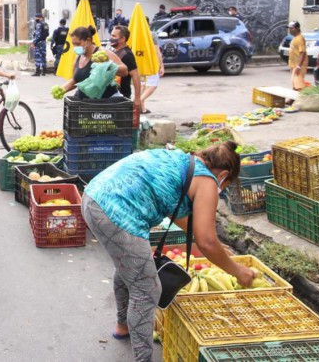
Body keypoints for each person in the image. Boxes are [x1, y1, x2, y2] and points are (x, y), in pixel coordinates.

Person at [82, 141, 255, 361]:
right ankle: (143, 358)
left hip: (94, 198)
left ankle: (123, 326)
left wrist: (220, 249)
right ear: (224, 175)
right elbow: (206, 242)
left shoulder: (180, 161)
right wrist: (238, 271)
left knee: (129, 267)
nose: (222, 189)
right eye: (227, 185)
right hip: (116, 211)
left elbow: (190, 222)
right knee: (147, 289)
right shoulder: (208, 182)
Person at [58, 26, 128, 100]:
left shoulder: (103, 53)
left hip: (105, 102)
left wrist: (108, 65)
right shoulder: (77, 58)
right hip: (85, 102)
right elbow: (75, 80)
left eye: (78, 44)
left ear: (88, 40)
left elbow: (125, 71)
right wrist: (62, 89)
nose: (75, 47)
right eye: (73, 44)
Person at [109, 26, 141, 101]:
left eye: (114, 36)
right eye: (111, 35)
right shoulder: (114, 51)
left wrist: (137, 98)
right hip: (111, 95)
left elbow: (135, 76)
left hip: (121, 97)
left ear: (122, 39)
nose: (111, 38)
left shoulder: (127, 55)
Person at [139, 31, 164, 114]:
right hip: (150, 64)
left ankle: (142, 109)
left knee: (143, 85)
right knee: (152, 85)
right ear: (148, 24)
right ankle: (138, 102)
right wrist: (161, 65)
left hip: (139, 63)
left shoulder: (135, 32)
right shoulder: (151, 34)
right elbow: (157, 51)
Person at [288, 21, 307, 91]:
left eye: (292, 28)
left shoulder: (300, 39)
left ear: (297, 28)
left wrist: (299, 66)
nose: (290, 30)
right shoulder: (295, 37)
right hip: (294, 64)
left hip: (299, 64)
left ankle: (300, 98)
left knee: (299, 84)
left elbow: (302, 53)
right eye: (289, 28)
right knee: (294, 82)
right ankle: (293, 98)